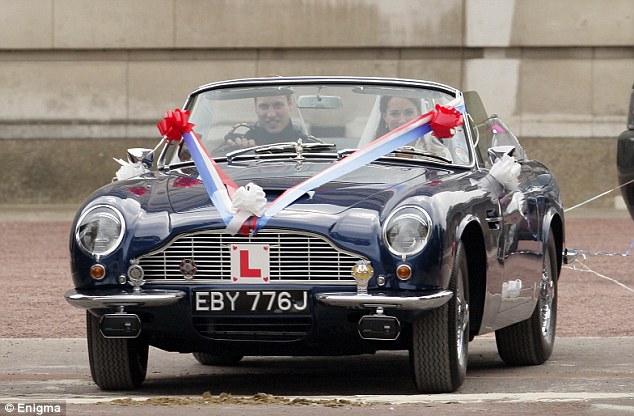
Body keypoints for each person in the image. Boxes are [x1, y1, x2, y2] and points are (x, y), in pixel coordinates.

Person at [376, 95, 452, 161]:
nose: (402, 121)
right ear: (385, 117)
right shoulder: (373, 153)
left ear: (419, 114)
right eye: (394, 114)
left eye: (409, 112)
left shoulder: (439, 153)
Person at [223, 93, 304, 149]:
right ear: (256, 108)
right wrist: (236, 150)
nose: (271, 114)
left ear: (290, 105)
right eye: (264, 106)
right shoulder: (240, 145)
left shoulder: (309, 146)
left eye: (278, 105)